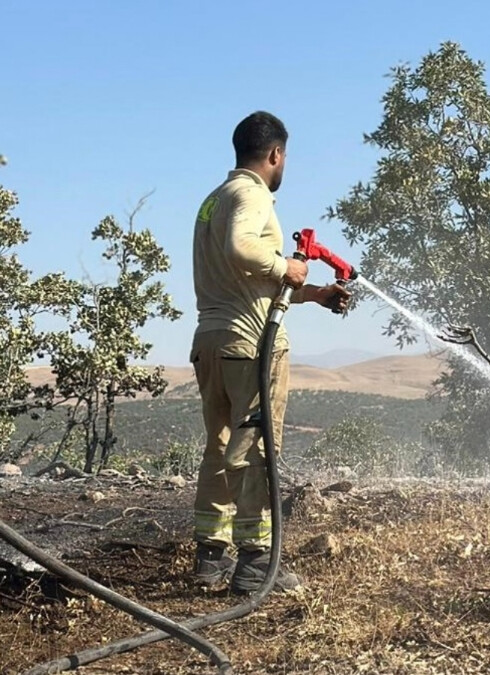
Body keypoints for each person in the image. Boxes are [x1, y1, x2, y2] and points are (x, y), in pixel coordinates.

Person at [190, 111, 349, 593]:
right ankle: (257, 561)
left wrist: (313, 294)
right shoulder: (252, 194)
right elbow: (243, 250)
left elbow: (246, 280)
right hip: (250, 345)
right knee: (256, 450)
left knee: (219, 446)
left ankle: (210, 557)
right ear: (276, 153)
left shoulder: (213, 200)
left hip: (212, 342)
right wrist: (287, 267)